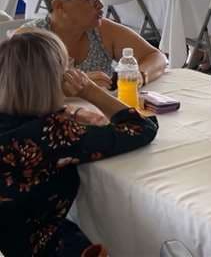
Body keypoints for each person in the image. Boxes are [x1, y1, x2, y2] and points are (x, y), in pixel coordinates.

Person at [0, 29, 158, 257]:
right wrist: (89, 90)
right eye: (68, 66)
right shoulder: (55, 132)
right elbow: (141, 128)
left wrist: (70, 111)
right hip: (41, 246)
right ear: (54, 79)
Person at [22, 0, 167, 86]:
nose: (100, 5)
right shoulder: (30, 40)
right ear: (59, 6)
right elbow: (19, 89)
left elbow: (156, 57)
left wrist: (140, 75)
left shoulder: (100, 30)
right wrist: (72, 85)